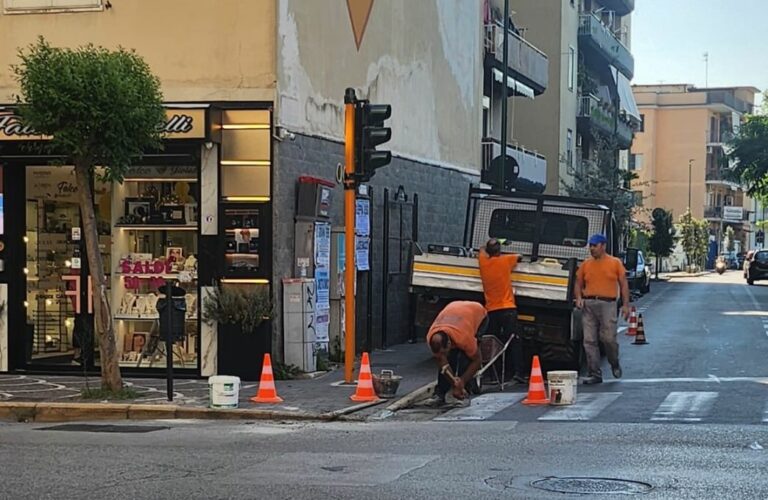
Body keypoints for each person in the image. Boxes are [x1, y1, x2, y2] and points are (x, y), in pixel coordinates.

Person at [574, 233, 630, 385]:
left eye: (595, 245)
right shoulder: (586, 264)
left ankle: (614, 362)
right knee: (589, 340)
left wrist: (626, 305)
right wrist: (579, 297)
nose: (592, 248)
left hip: (608, 304)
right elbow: (578, 283)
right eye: (590, 245)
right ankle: (594, 373)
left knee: (608, 338)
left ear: (603, 246)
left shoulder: (615, 263)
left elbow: (623, 283)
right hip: (589, 304)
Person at [478, 238, 526, 383]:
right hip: (507, 308)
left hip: (491, 309)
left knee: (493, 342)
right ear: (500, 251)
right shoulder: (506, 261)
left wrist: (494, 243)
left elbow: (481, 250)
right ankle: (519, 372)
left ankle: (492, 374)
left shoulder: (483, 263)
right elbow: (520, 256)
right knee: (514, 340)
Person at [426, 301, 488, 406]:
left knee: (465, 357)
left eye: (444, 351)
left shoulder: (464, 338)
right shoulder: (431, 338)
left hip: (477, 313)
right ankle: (440, 393)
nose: (443, 355)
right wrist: (453, 382)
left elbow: (477, 360)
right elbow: (443, 363)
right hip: (455, 312)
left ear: (449, 343)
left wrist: (461, 382)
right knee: (448, 359)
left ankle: (465, 391)